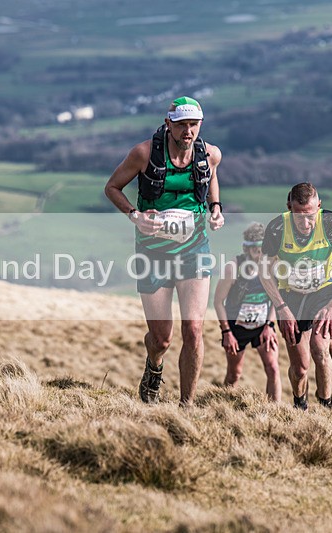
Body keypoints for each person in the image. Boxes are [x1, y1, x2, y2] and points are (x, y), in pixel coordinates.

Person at [104, 96, 224, 406]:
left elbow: (212, 179)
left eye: (193, 124)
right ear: (168, 123)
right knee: (161, 339)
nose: (188, 131)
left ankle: (186, 407)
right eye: (182, 124)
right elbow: (112, 188)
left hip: (194, 250)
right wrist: (135, 215)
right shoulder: (143, 153)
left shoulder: (209, 154)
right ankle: (154, 367)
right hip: (153, 254)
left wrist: (215, 208)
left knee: (194, 330)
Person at [259, 182, 332, 410]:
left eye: (311, 215)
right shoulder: (277, 228)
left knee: (319, 347)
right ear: (289, 208)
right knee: (300, 367)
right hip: (290, 296)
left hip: (324, 292)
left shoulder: (330, 222)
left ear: (319, 207)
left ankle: (326, 403)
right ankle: (299, 401)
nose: (306, 223)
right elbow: (264, 273)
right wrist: (282, 308)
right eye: (299, 217)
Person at [214, 222, 281, 402]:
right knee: (234, 374)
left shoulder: (272, 267)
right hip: (237, 329)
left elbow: (278, 299)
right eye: (255, 250)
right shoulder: (233, 267)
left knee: (273, 368)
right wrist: (226, 332)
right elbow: (218, 302)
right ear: (246, 249)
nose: (259, 255)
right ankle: (223, 407)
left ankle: (275, 413)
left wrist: (270, 325)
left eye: (262, 249)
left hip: (263, 327)